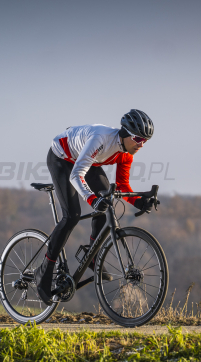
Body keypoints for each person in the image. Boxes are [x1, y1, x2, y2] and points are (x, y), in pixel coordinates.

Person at [35, 109, 159, 305]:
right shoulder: (101, 140)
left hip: (87, 160)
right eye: (138, 139)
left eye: (145, 141)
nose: (140, 145)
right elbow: (76, 175)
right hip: (62, 157)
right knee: (72, 215)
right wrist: (92, 199)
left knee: (107, 202)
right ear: (126, 132)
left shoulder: (126, 155)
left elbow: (123, 187)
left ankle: (91, 256)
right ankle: (45, 271)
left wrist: (140, 201)